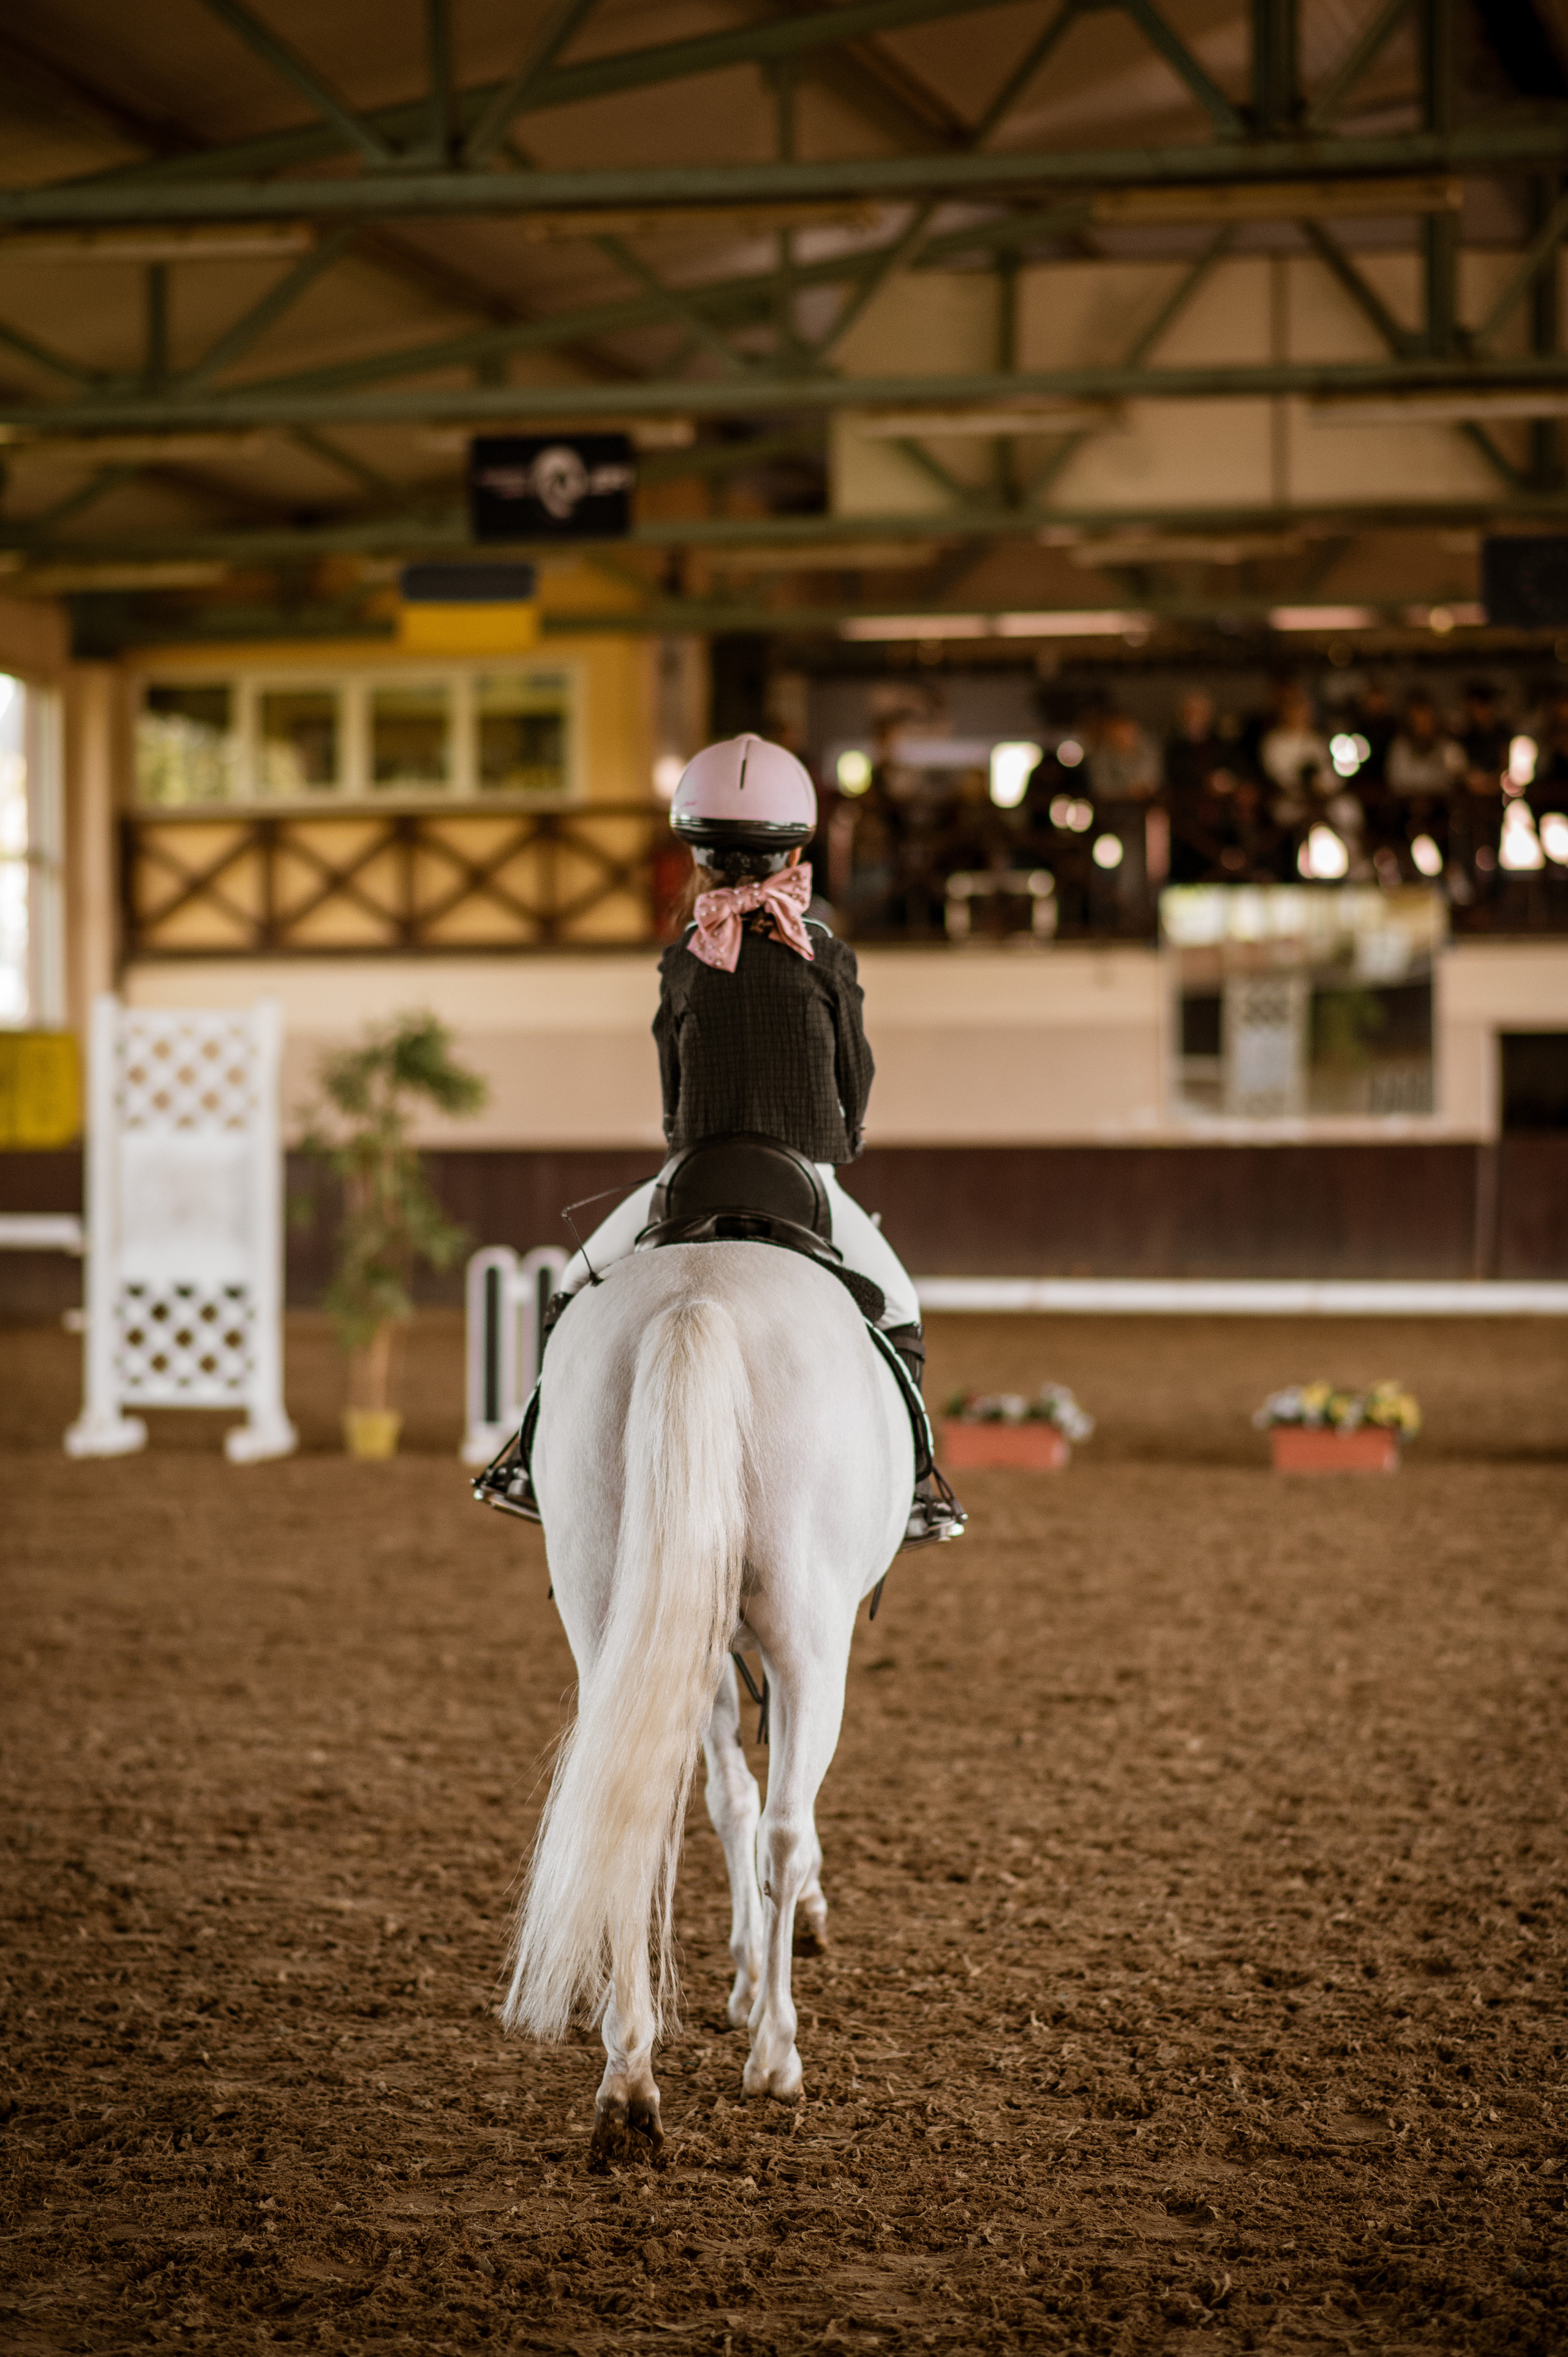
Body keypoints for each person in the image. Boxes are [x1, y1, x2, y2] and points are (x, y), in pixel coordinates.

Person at [500, 733, 964, 1547]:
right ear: (794, 850)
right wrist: (838, 1139)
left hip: (692, 1174)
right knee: (899, 1308)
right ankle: (919, 1487)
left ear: (700, 854)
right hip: (804, 1175)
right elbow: (857, 1080)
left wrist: (692, 1140)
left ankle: (533, 1466)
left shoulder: (683, 960)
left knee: (574, 1288)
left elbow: (673, 1099)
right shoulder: (829, 956)